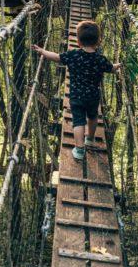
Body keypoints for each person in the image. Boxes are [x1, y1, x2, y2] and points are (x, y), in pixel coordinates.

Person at [33, 20, 118, 161]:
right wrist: (118, 66)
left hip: (76, 97)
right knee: (92, 117)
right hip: (93, 97)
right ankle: (89, 139)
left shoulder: (73, 55)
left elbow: (56, 57)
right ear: (99, 41)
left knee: (78, 122)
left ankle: (79, 150)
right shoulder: (101, 60)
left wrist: (42, 51)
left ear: (78, 41)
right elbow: (112, 68)